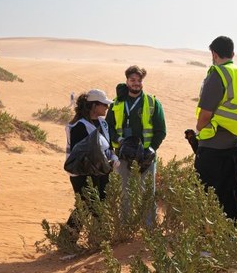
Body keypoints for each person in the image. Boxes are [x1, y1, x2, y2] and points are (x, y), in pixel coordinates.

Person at [191, 36, 237, 222]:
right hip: (235, 142)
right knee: (229, 191)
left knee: (206, 193)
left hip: (213, 144)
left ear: (214, 54)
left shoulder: (218, 73)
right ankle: (230, 238)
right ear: (232, 53)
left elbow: (205, 113)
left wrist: (200, 131)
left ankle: (209, 241)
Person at [106, 65, 166, 224]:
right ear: (126, 81)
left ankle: (150, 229)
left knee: (147, 193)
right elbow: (108, 127)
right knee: (124, 193)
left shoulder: (153, 103)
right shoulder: (116, 104)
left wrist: (151, 149)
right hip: (122, 155)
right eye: (132, 80)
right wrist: (119, 141)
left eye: (139, 80)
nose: (136, 83)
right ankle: (125, 228)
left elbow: (161, 131)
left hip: (146, 156)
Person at [62, 89, 119, 239]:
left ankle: (99, 239)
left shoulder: (103, 123)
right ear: (94, 105)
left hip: (101, 170)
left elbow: (107, 145)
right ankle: (67, 240)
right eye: (104, 105)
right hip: (82, 173)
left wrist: (113, 157)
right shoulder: (79, 126)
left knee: (100, 202)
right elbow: (80, 153)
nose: (107, 108)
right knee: (86, 204)